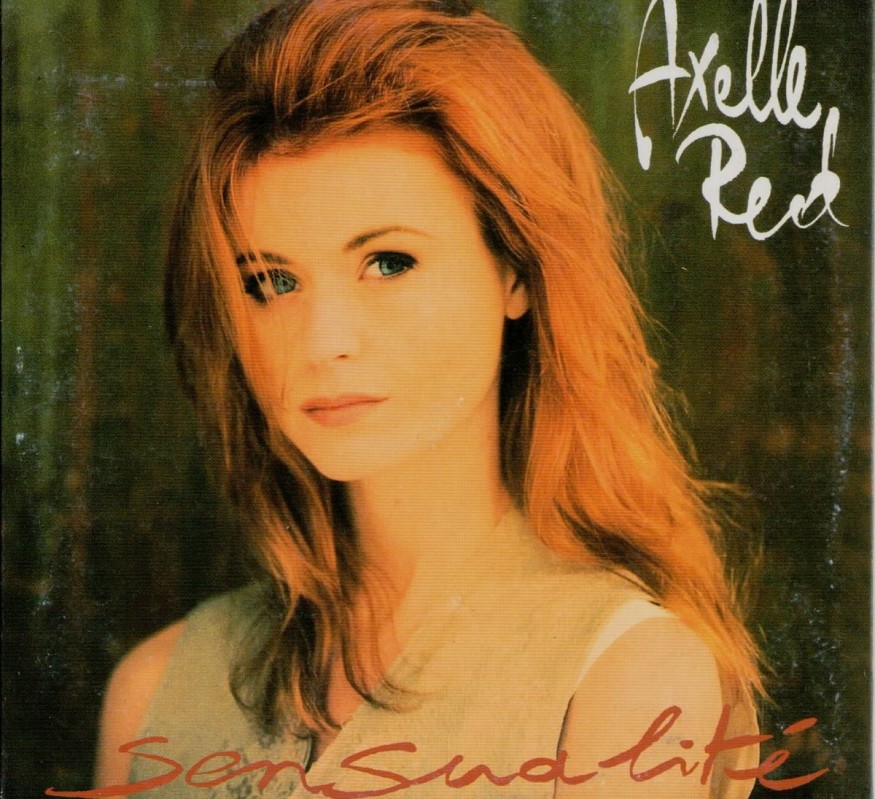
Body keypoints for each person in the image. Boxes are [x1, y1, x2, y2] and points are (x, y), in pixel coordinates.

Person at [94, 1, 763, 796]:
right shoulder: (155, 691)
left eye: (388, 262)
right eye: (271, 281)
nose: (322, 341)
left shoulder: (625, 678)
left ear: (515, 270)